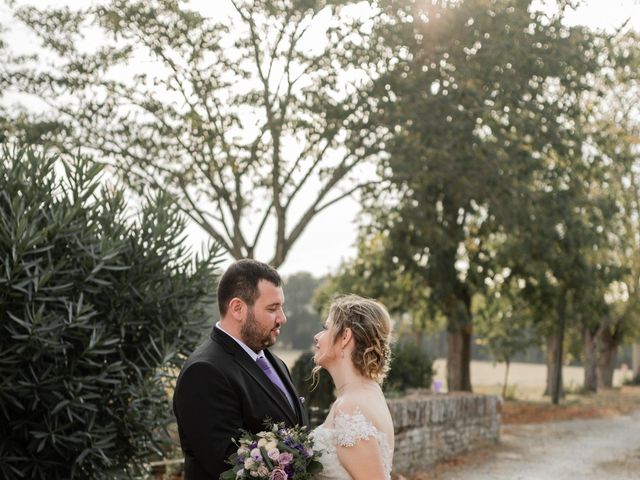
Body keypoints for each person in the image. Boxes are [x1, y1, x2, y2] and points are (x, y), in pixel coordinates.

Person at [173, 259, 309, 480]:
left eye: (281, 307)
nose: (282, 318)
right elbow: (229, 466)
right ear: (237, 308)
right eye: (272, 308)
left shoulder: (274, 362)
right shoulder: (204, 372)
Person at [311, 295, 395, 480]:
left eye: (325, 328)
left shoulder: (349, 408)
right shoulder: (371, 391)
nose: (317, 337)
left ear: (345, 336)